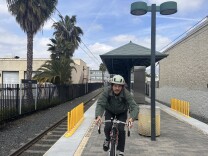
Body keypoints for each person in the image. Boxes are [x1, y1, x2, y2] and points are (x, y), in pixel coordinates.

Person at [95, 74, 139, 156]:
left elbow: (134, 106)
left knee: (121, 129)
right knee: (107, 126)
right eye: (115, 86)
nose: (117, 88)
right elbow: (100, 103)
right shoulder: (107, 91)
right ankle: (107, 139)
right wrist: (98, 116)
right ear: (112, 86)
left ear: (122, 87)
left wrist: (131, 118)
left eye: (119, 86)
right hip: (109, 110)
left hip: (122, 112)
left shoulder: (126, 93)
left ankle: (121, 151)